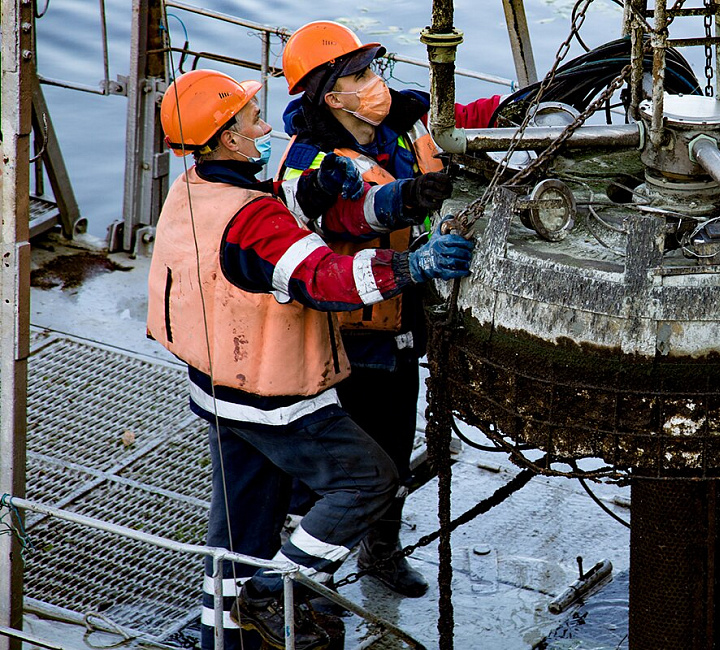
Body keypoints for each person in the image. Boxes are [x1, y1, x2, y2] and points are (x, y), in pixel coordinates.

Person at [147, 69, 474, 650]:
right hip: (274, 400)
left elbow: (309, 213)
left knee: (238, 535)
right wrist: (413, 267)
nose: (265, 125)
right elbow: (323, 276)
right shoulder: (253, 219)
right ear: (226, 138)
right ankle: (278, 590)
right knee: (368, 481)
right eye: (251, 120)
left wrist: (387, 198)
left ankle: (223, 639)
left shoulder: (196, 188)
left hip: (216, 388)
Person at [274, 20, 499, 598]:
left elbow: (458, 125)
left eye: (373, 69)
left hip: (400, 320)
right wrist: (402, 199)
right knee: (328, 468)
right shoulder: (306, 158)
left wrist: (520, 106)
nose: (376, 82)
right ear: (332, 94)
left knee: (394, 450)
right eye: (361, 74)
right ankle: (300, 584)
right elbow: (328, 211)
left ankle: (380, 551)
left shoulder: (397, 122)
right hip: (337, 333)